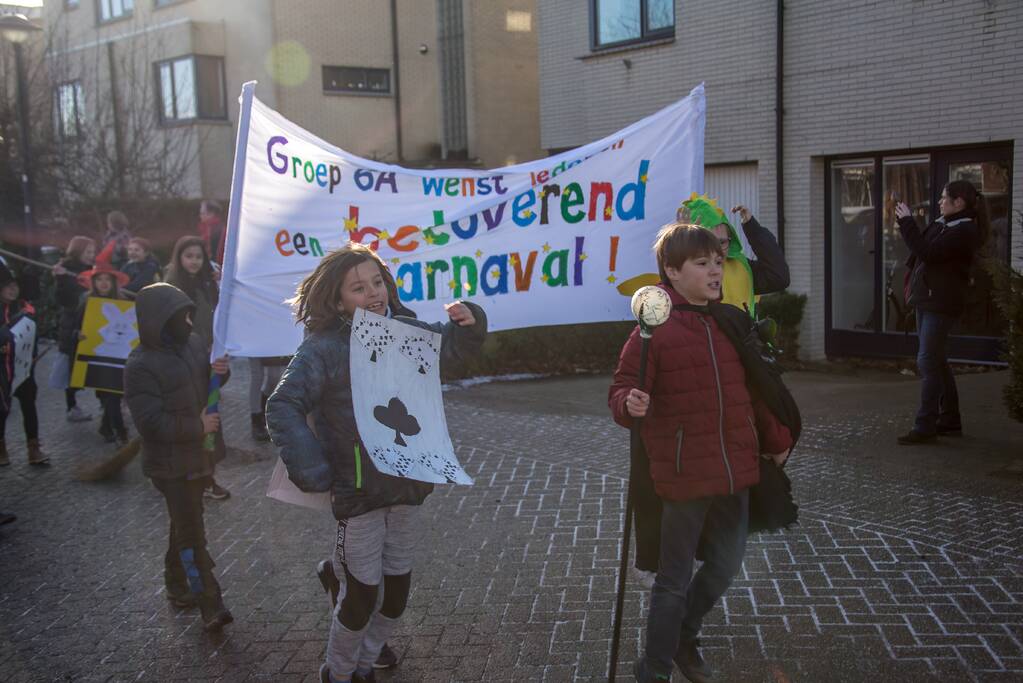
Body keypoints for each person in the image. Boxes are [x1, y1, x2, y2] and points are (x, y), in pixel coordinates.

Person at [265, 243, 486, 683]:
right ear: (337, 300)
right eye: (358, 288)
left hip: (406, 486)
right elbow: (283, 404)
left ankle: (365, 664)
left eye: (377, 282)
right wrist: (315, 470)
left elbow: (450, 352)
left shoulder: (404, 331)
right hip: (360, 494)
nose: (373, 293)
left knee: (396, 597)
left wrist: (470, 323)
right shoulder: (323, 350)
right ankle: (339, 671)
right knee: (361, 596)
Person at [608, 222, 793, 683]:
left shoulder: (730, 322)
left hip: (736, 468)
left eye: (718, 262)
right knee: (673, 579)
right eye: (702, 263)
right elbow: (622, 388)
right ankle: (654, 669)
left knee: (727, 563)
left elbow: (756, 389)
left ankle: (683, 635)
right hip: (684, 475)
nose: (715, 271)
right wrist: (629, 403)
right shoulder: (652, 331)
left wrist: (776, 441)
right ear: (672, 271)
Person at [124, 282, 233, 631]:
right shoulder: (140, 366)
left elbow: (206, 384)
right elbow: (150, 422)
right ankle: (209, 602)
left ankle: (175, 582)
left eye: (189, 315)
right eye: (181, 317)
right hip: (171, 466)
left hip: (200, 457)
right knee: (191, 535)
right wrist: (196, 426)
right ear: (159, 320)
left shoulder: (193, 344)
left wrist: (220, 372)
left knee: (185, 522)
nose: (188, 323)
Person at [894, 179, 984, 445]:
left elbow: (929, 252)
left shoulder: (964, 230)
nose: (940, 202)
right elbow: (921, 248)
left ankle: (925, 425)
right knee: (937, 359)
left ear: (959, 203)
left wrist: (907, 222)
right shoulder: (945, 223)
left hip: (942, 304)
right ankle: (950, 419)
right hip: (928, 299)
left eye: (945, 198)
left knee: (927, 360)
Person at [164, 236, 229, 500]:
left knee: (210, 417)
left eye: (198, 257)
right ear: (179, 257)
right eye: (188, 256)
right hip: (183, 361)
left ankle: (207, 475)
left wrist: (220, 283)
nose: (194, 261)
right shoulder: (170, 288)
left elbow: (219, 314)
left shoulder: (207, 284)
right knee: (193, 419)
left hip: (208, 358)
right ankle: (196, 476)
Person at [678, 193, 790, 316]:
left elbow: (778, 278)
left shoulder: (741, 266)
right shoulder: (678, 273)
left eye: (722, 242)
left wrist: (752, 228)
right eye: (709, 242)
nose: (717, 250)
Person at [75, 243, 132, 445]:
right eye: (99, 279)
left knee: (114, 394)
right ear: (93, 282)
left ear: (114, 282)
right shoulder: (86, 302)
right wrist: (78, 335)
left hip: (118, 357)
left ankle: (107, 427)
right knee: (109, 395)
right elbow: (74, 327)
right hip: (97, 357)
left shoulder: (124, 302)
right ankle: (120, 432)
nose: (104, 283)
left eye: (107, 279)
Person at [0, 264, 49, 467]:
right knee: (2, 410)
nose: (13, 290)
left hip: (25, 368)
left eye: (14, 286)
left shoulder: (24, 308)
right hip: (2, 370)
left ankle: (33, 448)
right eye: (7, 286)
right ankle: (1, 447)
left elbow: (32, 335)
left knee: (29, 405)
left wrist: (33, 355)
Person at [52, 236, 96, 423]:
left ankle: (108, 404)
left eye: (93, 252)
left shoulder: (91, 270)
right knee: (72, 366)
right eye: (88, 252)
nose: (91, 255)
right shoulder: (65, 271)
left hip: (91, 321)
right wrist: (62, 279)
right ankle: (72, 407)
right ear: (78, 251)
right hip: (72, 324)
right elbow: (64, 299)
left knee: (97, 363)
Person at [197, 200, 227, 266]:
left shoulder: (213, 230)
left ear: (211, 214)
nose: (200, 216)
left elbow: (213, 253)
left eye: (202, 213)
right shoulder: (206, 227)